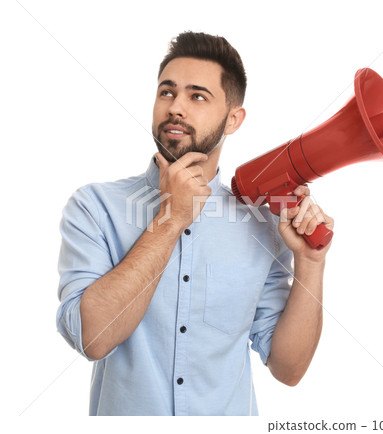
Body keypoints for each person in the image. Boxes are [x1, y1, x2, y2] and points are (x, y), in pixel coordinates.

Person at [56, 31, 334, 416]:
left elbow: (289, 369)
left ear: (234, 119)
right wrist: (170, 220)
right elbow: (92, 339)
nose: (176, 107)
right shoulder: (94, 207)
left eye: (197, 96)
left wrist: (311, 263)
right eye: (166, 92)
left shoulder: (262, 222)